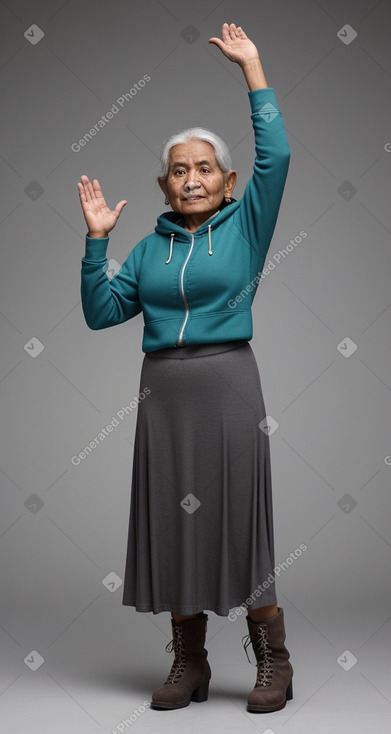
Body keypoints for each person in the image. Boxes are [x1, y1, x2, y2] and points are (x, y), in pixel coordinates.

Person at [77, 22, 293, 714]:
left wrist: (251, 67)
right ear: (166, 184)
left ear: (226, 182)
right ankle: (190, 662)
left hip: (229, 385)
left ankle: (273, 663)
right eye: (179, 168)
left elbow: (277, 155)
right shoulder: (146, 250)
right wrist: (96, 243)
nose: (192, 178)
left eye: (204, 168)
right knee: (176, 522)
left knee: (239, 520)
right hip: (163, 397)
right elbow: (102, 312)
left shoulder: (246, 225)